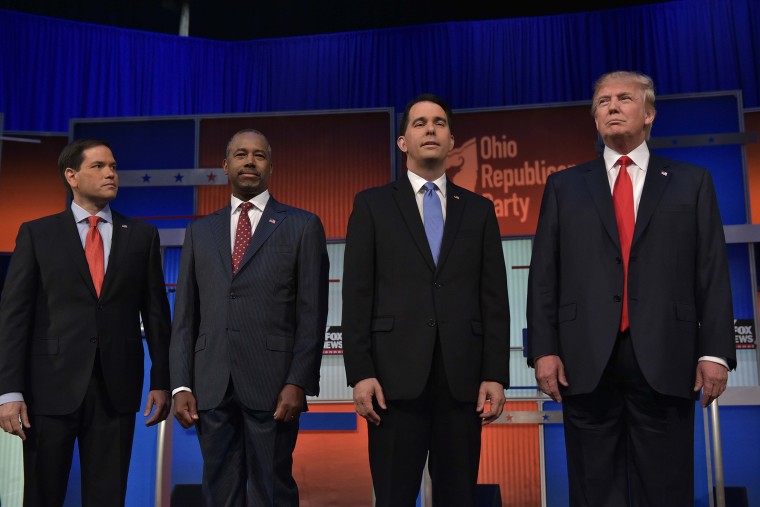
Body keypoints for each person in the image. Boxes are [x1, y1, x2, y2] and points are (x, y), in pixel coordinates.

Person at [527, 70, 737, 506]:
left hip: (667, 354)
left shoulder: (691, 182)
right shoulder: (564, 186)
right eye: (603, 101)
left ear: (649, 114)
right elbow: (545, 274)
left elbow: (712, 271)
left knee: (664, 487)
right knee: (592, 488)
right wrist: (544, 349)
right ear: (595, 119)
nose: (612, 107)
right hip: (584, 359)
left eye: (624, 98)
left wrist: (715, 351)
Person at [342, 93, 511, 507]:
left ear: (452, 140)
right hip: (392, 384)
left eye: (438, 123)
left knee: (458, 497)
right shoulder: (372, 205)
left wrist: (495, 373)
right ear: (403, 142)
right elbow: (357, 294)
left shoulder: (479, 210)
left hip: (462, 383)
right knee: (394, 497)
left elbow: (494, 298)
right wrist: (360, 372)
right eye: (419, 123)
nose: (430, 129)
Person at [0, 138, 172, 506]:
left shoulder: (142, 236)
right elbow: (14, 316)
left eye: (113, 166)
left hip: (117, 388)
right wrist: (9, 391)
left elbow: (156, 313)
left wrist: (162, 380)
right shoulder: (37, 233)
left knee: (108, 497)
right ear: (72, 176)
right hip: (48, 388)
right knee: (42, 496)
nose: (110, 173)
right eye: (99, 166)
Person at [170, 129, 329, 506]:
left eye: (259, 156)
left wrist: (298, 381)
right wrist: (180, 385)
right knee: (218, 493)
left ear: (270, 166)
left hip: (274, 386)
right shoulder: (199, 231)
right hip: (211, 384)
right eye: (241, 155)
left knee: (271, 491)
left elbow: (312, 313)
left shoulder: (302, 226)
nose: (250, 161)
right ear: (226, 166)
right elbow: (185, 317)